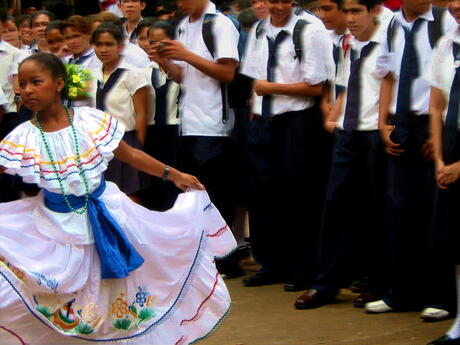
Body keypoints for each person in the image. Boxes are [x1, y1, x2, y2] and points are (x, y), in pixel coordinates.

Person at [0, 51, 236, 345]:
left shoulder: (90, 121)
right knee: (69, 295)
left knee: (118, 291)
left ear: (59, 83)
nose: (28, 90)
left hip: (109, 216)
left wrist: (173, 174)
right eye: (23, 84)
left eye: (37, 81)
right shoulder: (22, 137)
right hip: (57, 229)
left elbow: (130, 154)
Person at [365, 0, 457, 317]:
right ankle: (401, 293)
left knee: (436, 214)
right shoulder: (392, 24)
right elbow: (388, 75)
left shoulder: (446, 21)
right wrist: (383, 122)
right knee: (399, 209)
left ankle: (441, 296)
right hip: (401, 123)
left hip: (435, 124)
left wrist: (438, 134)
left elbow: (443, 85)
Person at [295, 0, 388, 309]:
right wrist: (335, 109)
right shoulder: (348, 44)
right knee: (335, 207)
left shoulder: (389, 40)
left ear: (374, 11)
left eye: (356, 12)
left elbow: (391, 85)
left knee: (375, 210)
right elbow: (349, 83)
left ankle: (376, 282)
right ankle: (326, 283)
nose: (349, 19)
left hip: (376, 132)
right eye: (346, 12)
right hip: (347, 133)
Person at [240, 0, 331, 289]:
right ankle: (272, 264)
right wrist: (256, 110)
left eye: (284, 0)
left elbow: (317, 85)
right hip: (263, 121)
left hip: (297, 120)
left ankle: (304, 268)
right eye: (272, 0)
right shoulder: (259, 29)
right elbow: (254, 78)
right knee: (263, 195)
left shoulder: (309, 29)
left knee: (299, 196)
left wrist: (272, 89)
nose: (278, 7)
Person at [425, 0, 460, 341]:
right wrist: (439, 158)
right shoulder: (446, 42)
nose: (455, 5)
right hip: (450, 147)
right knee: (453, 240)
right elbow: (437, 104)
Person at [92, 22, 150, 202]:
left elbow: (142, 114)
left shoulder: (133, 74)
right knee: (101, 195)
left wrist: (136, 146)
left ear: (120, 46)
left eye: (109, 44)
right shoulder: (90, 74)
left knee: (129, 195)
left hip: (125, 139)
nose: (103, 49)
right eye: (98, 44)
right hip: (96, 143)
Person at [143, 20, 181, 211]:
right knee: (154, 182)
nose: (155, 47)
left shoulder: (182, 70)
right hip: (151, 131)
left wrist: (165, 62)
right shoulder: (142, 72)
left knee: (175, 183)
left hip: (176, 131)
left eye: (162, 42)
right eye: (151, 42)